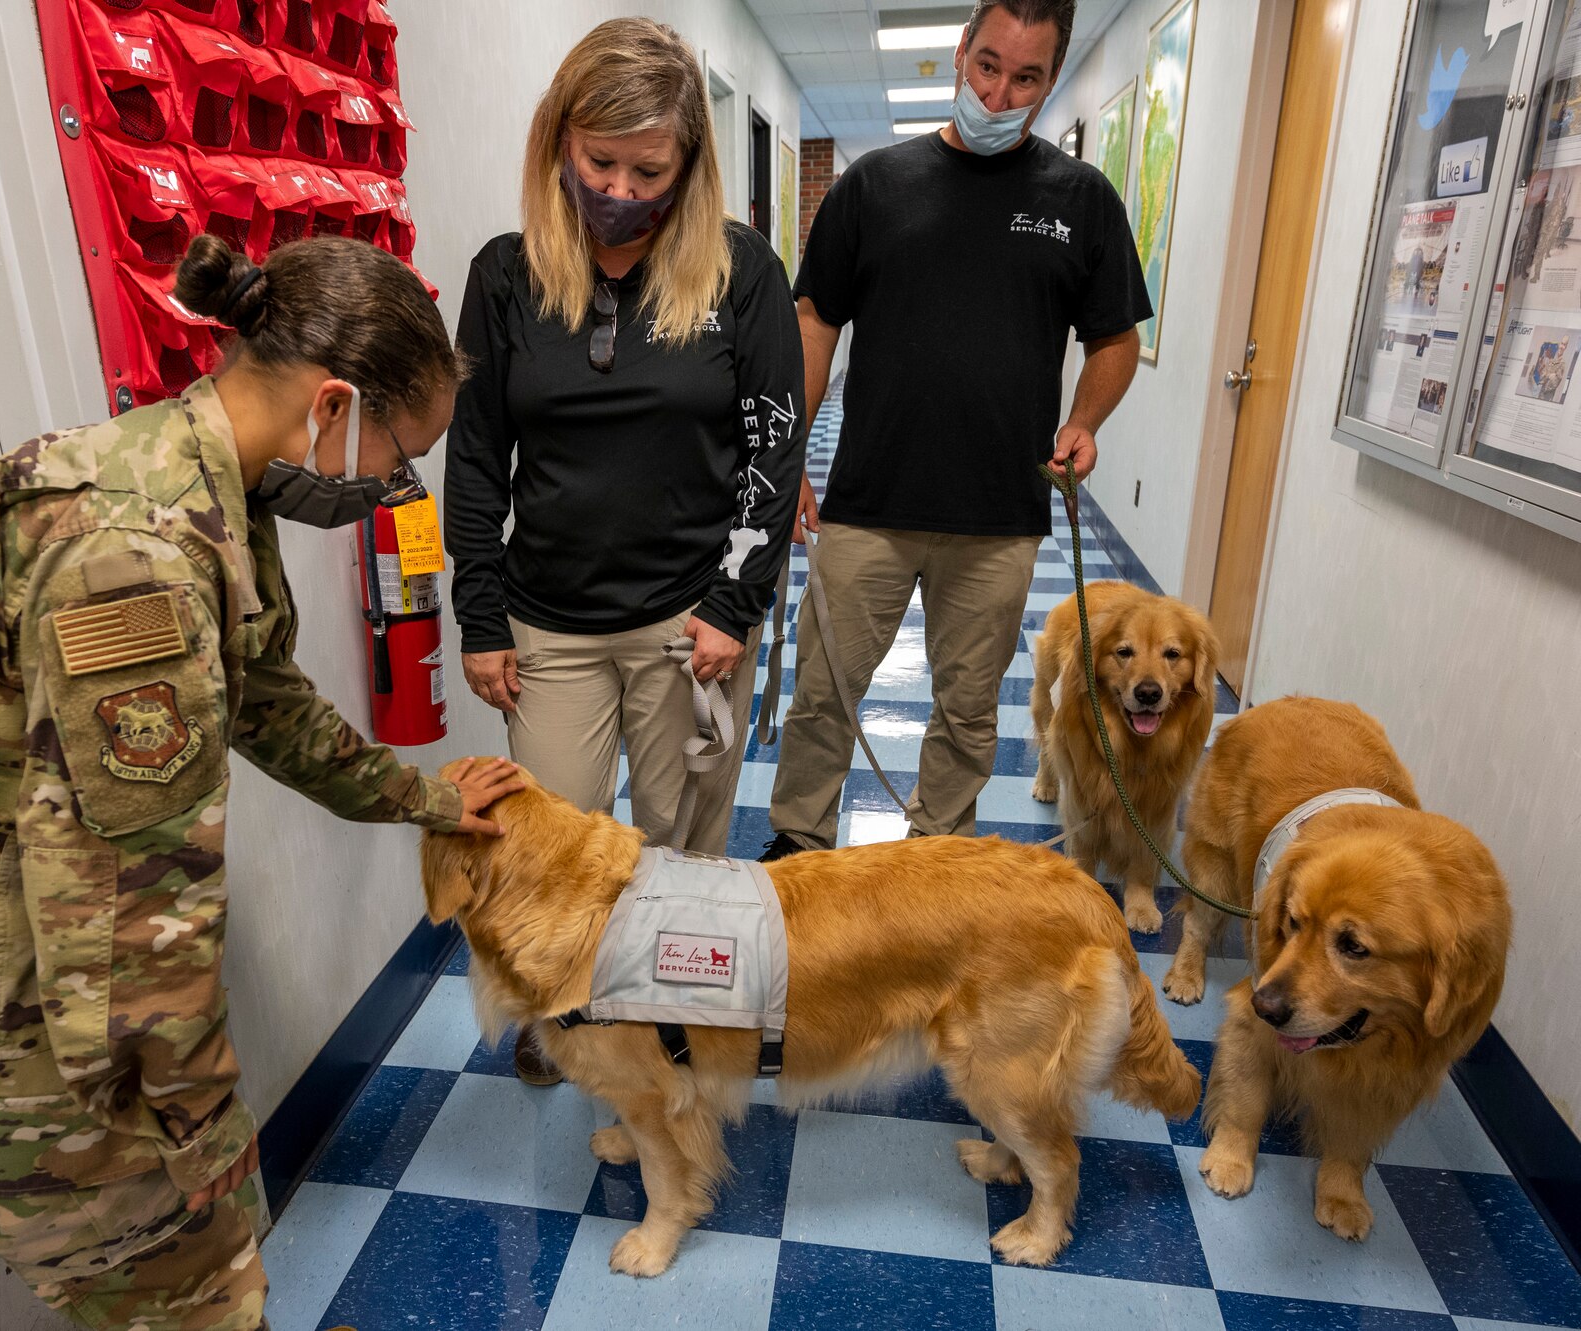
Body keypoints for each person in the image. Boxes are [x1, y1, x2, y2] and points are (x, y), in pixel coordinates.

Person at [0, 233, 524, 1331]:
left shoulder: (193, 475)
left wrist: (419, 798)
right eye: (395, 456)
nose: (387, 487)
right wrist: (198, 1112)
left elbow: (263, 698)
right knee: (177, 1268)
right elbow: (128, 899)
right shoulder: (137, 552)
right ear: (331, 407)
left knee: (190, 1245)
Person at [444, 17, 805, 1084]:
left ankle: (669, 1022)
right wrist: (477, 612)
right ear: (558, 143)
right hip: (545, 624)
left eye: (646, 168)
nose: (617, 186)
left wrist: (733, 605)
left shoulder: (739, 273)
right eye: (597, 161)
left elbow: (769, 451)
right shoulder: (506, 275)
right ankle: (567, 1013)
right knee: (548, 852)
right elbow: (474, 459)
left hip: (682, 623)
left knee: (676, 852)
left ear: (687, 163)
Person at [761, 0, 1148, 859]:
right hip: (868, 500)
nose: (999, 92)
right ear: (961, 50)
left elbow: (1116, 337)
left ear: (1049, 82)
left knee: (968, 711)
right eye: (987, 66)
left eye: (1025, 79)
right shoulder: (875, 186)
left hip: (999, 512)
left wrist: (1084, 420)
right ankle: (797, 846)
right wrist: (788, 456)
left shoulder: (1079, 199)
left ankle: (938, 857)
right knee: (824, 693)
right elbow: (816, 319)